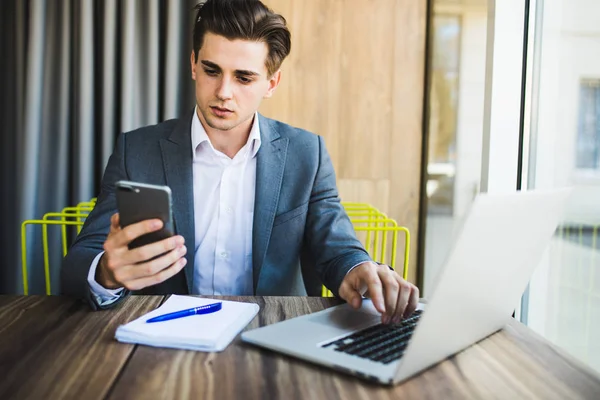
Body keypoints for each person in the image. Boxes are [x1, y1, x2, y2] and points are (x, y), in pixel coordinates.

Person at [61, 0, 419, 323]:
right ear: (193, 65)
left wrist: (359, 269)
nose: (223, 92)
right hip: (164, 336)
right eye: (212, 70)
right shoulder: (136, 149)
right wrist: (106, 272)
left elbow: (336, 246)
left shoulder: (306, 153)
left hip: (273, 332)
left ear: (271, 82)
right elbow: (79, 263)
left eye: (244, 77)